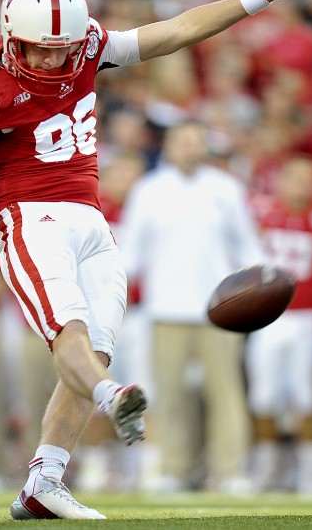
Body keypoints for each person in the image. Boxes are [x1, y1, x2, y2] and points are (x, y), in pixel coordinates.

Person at [0, 0, 312, 519]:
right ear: (10, 36)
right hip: (30, 220)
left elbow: (176, 31)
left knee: (97, 345)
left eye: (64, 47)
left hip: (91, 221)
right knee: (70, 333)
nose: (54, 60)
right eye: (40, 49)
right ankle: (112, 397)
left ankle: (44, 481)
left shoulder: (89, 47)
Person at [120, 121, 265, 492]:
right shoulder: (149, 190)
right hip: (165, 308)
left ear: (205, 147)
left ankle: (230, 471)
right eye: (182, 142)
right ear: (168, 147)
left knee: (226, 393)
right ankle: (174, 467)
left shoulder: (225, 189)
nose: (189, 148)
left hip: (218, 309)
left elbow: (248, 246)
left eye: (195, 142)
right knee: (169, 395)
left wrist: (260, 289)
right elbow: (132, 252)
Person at [246, 155, 312, 494]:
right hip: (267, 316)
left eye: (307, 178)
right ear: (280, 181)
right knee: (263, 397)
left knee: (305, 397)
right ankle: (268, 469)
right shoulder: (261, 213)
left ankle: (309, 475)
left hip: (307, 317)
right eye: (294, 178)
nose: (301, 185)